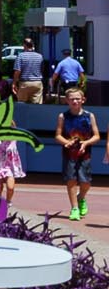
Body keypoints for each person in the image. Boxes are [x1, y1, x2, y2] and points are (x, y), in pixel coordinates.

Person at [58, 86, 99, 221]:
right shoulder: (63, 116)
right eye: (72, 99)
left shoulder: (89, 116)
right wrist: (66, 142)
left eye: (77, 99)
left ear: (83, 100)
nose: (75, 101)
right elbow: (58, 135)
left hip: (84, 153)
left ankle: (81, 197)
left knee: (85, 182)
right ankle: (74, 208)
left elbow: (97, 136)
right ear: (67, 101)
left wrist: (86, 143)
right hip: (69, 153)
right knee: (71, 180)